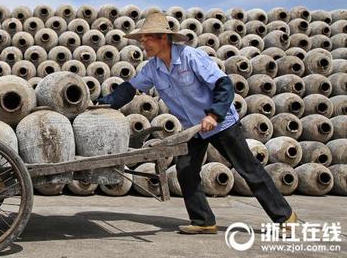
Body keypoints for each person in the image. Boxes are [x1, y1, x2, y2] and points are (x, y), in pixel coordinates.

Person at [98, 12, 296, 234]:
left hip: (221, 123)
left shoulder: (191, 57)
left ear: (163, 38)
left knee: (248, 170)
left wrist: (213, 115)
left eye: (147, 39)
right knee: (185, 171)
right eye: (141, 40)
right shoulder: (152, 68)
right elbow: (130, 89)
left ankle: (285, 218)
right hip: (194, 128)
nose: (143, 44)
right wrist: (102, 105)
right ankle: (203, 221)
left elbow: (224, 85)